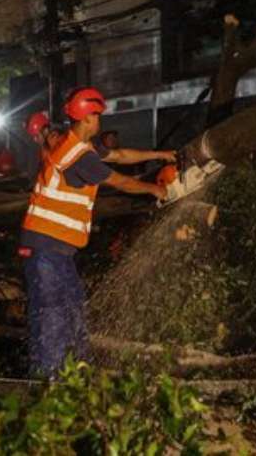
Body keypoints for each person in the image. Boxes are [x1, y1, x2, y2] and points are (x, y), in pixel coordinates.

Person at [20, 87, 176, 377]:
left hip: (58, 251)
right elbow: (120, 181)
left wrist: (160, 154)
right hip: (46, 249)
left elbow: (119, 155)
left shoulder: (80, 145)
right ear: (88, 118)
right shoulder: (77, 157)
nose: (99, 119)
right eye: (97, 114)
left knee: (75, 311)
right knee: (53, 318)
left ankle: (78, 376)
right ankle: (49, 385)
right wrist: (155, 188)